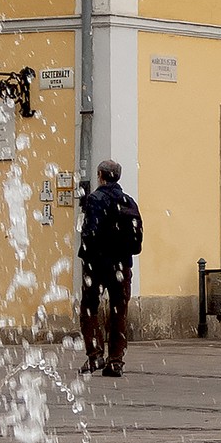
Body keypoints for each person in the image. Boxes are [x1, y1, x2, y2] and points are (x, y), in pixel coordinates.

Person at [78, 160, 141, 377]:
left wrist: (88, 254)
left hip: (97, 265)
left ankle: (95, 354)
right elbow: (137, 240)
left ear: (100, 175)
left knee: (89, 309)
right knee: (119, 312)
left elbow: (90, 233)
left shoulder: (95, 199)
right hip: (122, 264)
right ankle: (116, 360)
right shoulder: (128, 201)